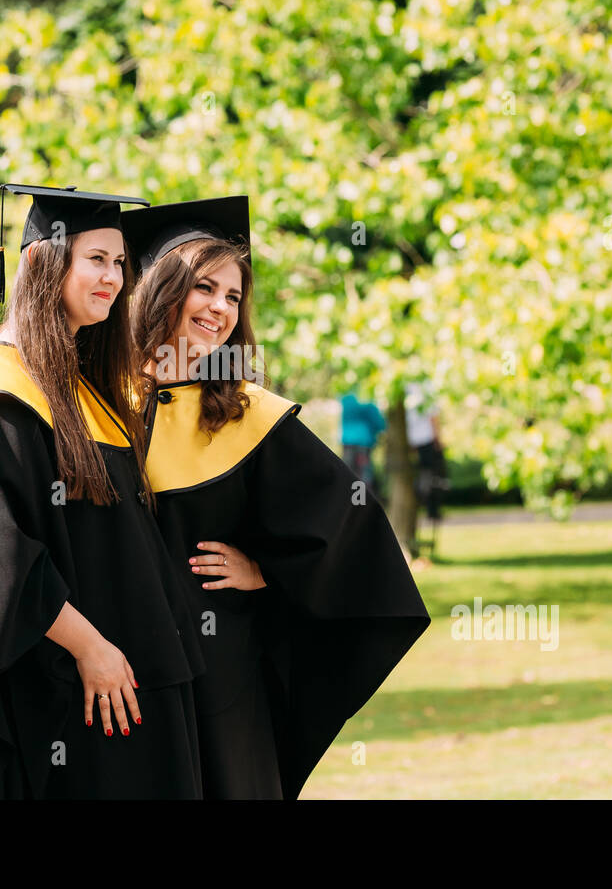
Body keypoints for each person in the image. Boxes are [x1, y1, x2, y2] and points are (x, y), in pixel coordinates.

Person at [123, 195, 430, 799]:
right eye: (204, 288)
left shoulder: (247, 416)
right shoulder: (100, 404)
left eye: (234, 297)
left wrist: (268, 574)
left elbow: (352, 531)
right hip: (121, 670)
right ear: (160, 289)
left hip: (221, 673)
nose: (220, 308)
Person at [0, 184, 206, 799]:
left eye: (119, 262)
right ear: (40, 261)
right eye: (96, 259)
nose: (113, 277)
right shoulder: (1, 396)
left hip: (134, 678)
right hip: (73, 689)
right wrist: (93, 649)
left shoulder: (84, 390)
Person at [406, 380, 449, 559]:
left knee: (424, 478)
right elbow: (433, 415)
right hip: (426, 441)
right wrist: (438, 438)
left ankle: (426, 503)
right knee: (434, 478)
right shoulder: (427, 386)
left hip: (414, 441)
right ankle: (432, 508)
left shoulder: (406, 387)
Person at [340, 392, 386, 502]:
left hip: (347, 441)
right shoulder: (366, 393)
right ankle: (361, 504)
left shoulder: (345, 394)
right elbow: (378, 422)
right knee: (363, 475)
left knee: (349, 474)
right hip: (363, 442)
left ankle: (351, 504)